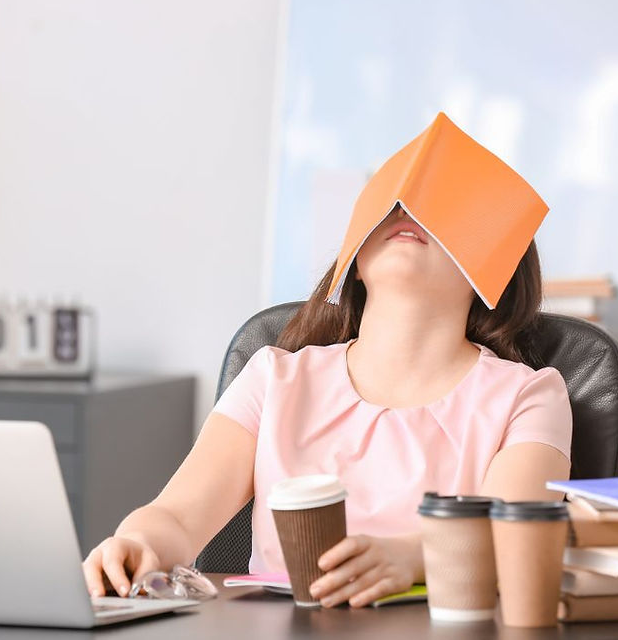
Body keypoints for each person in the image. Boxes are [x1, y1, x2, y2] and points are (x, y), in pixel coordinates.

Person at [82, 203, 571, 608]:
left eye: (440, 207)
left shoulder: (528, 395)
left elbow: (512, 534)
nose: (410, 213)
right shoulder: (274, 378)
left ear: (492, 265)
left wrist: (413, 557)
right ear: (355, 258)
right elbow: (177, 516)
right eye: (394, 203)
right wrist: (137, 543)